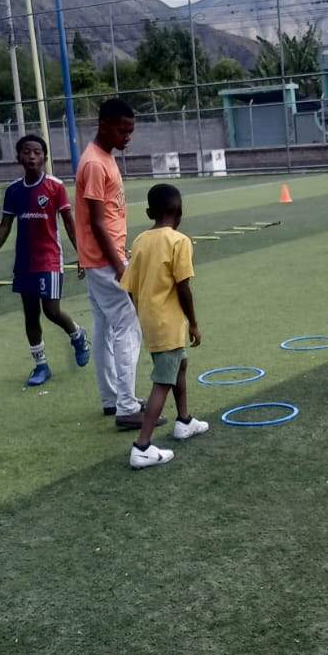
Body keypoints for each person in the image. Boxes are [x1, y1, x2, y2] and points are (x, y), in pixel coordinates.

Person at [75, 98, 165, 431]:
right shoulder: (94, 163)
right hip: (105, 260)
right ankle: (126, 407)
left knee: (103, 326)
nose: (127, 137)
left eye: (130, 131)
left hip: (100, 257)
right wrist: (120, 266)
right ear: (104, 126)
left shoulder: (102, 158)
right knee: (128, 325)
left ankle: (112, 398)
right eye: (122, 130)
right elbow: (97, 222)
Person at [0, 134, 91, 386]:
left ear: (44, 158)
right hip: (24, 262)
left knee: (51, 311)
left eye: (37, 152)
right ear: (18, 157)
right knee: (30, 315)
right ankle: (41, 366)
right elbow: (5, 225)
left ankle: (78, 335)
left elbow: (69, 223)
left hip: (49, 259)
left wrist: (81, 255)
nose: (32, 156)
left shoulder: (55, 187)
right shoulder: (13, 190)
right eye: (26, 152)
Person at [120, 184, 209, 468]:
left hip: (149, 319)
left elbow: (129, 286)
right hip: (168, 322)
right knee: (163, 381)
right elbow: (183, 287)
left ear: (149, 213)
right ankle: (142, 446)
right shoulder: (179, 241)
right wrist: (193, 323)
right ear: (180, 213)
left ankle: (184, 421)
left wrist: (143, 311)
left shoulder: (140, 241)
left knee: (179, 364)